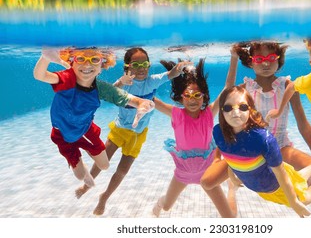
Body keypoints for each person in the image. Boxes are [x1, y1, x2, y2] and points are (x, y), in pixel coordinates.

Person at [74, 47, 193, 215]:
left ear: (149, 65)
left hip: (138, 133)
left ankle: (104, 198)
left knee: (122, 171)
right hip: (121, 129)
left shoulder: (152, 81)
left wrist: (178, 68)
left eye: (144, 64)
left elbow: (170, 75)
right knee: (102, 161)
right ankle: (86, 185)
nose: (141, 68)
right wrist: (122, 81)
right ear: (127, 67)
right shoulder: (126, 82)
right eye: (136, 64)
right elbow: (111, 91)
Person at [201, 41, 311, 194]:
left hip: (280, 147)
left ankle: (284, 176)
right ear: (250, 62)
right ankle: (240, 171)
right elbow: (226, 120)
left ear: (279, 59)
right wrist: (217, 157)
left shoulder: (288, 87)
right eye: (259, 59)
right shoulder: (244, 89)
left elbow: (303, 125)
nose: (266, 64)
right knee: (207, 182)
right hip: (247, 148)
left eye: (271, 58)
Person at [213, 86, 311, 217]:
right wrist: (232, 175)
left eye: (242, 107)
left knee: (303, 198)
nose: (235, 112)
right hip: (262, 183)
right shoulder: (218, 132)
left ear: (251, 111)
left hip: (276, 183)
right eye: (228, 107)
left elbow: (282, 175)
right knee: (296, 180)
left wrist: (294, 202)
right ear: (222, 110)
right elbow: (230, 155)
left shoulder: (263, 139)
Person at [33, 47, 154, 189]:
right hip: (63, 135)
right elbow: (40, 75)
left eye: (94, 60)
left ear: (101, 66)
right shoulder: (65, 79)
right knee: (79, 176)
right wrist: (46, 57)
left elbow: (125, 97)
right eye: (81, 59)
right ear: (73, 62)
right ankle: (78, 158)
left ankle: (86, 150)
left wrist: (142, 103)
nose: (87, 65)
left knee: (104, 165)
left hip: (86, 130)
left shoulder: (100, 88)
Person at [152, 58, 237, 218]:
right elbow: (150, 99)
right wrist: (137, 83)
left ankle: (232, 189)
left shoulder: (209, 114)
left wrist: (234, 57)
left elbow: (228, 88)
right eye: (188, 95)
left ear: (204, 97)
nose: (192, 100)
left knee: (229, 217)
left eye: (197, 95)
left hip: (207, 172)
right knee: (167, 207)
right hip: (183, 173)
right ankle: (158, 204)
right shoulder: (176, 114)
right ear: (181, 97)